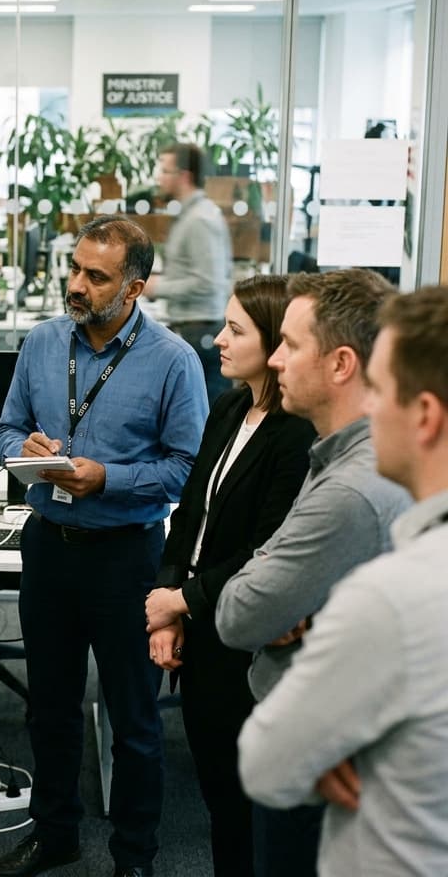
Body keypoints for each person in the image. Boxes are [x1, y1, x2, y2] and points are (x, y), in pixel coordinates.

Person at [0, 216, 208, 877]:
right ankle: (55, 833)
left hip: (126, 557)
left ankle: (134, 855)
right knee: (49, 708)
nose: (77, 285)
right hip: (48, 549)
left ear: (135, 287)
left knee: (134, 719)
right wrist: (25, 450)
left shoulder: (172, 360)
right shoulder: (42, 342)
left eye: (97, 276)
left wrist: (107, 478)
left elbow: (187, 470)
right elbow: (7, 428)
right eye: (75, 269)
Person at [238, 285, 448, 877]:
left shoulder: (391, 596)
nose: (366, 407)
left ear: (424, 416)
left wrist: (321, 746)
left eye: (378, 388)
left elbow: (266, 765)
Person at [145, 274, 316, 877]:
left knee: (247, 809)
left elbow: (264, 549)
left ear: (274, 343)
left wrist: (180, 601)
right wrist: (168, 601)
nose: (218, 339)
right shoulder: (229, 407)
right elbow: (189, 514)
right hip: (196, 625)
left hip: (241, 636)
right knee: (219, 795)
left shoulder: (297, 435)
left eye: (235, 330)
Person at [143, 142, 232, 405]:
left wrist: (157, 287)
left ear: (184, 176)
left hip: (201, 332)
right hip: (192, 329)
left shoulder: (200, 219)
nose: (160, 178)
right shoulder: (189, 215)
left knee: (206, 417)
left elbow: (209, 282)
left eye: (165, 171)